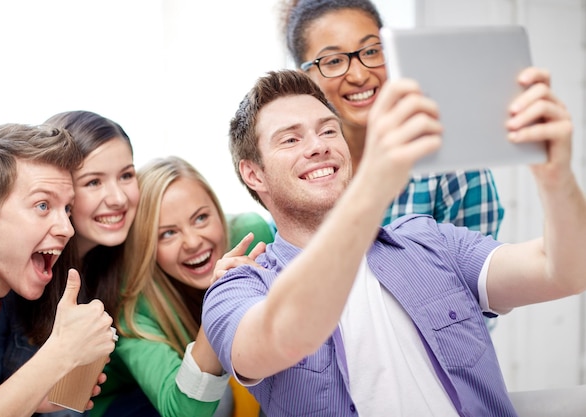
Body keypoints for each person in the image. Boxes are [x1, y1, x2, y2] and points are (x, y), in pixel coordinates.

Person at [202, 69, 584, 416]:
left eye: (328, 130)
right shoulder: (237, 288)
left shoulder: (430, 241)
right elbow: (284, 337)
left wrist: (556, 174)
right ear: (254, 174)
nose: (318, 145)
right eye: (290, 139)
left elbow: (565, 271)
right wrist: (374, 184)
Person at [278, 0, 504, 238]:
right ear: (304, 77)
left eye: (371, 51)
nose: (359, 75)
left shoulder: (453, 163)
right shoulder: (298, 170)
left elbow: (476, 271)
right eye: (334, 61)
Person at [0, 111, 139, 416]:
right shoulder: (7, 273)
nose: (117, 198)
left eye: (127, 175)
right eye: (93, 182)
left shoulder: (112, 265)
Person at [92, 156, 271, 417]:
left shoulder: (251, 237)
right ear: (147, 246)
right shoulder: (132, 309)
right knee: (217, 401)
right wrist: (218, 303)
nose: (192, 242)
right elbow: (183, 412)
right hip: (127, 404)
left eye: (200, 218)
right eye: (167, 233)